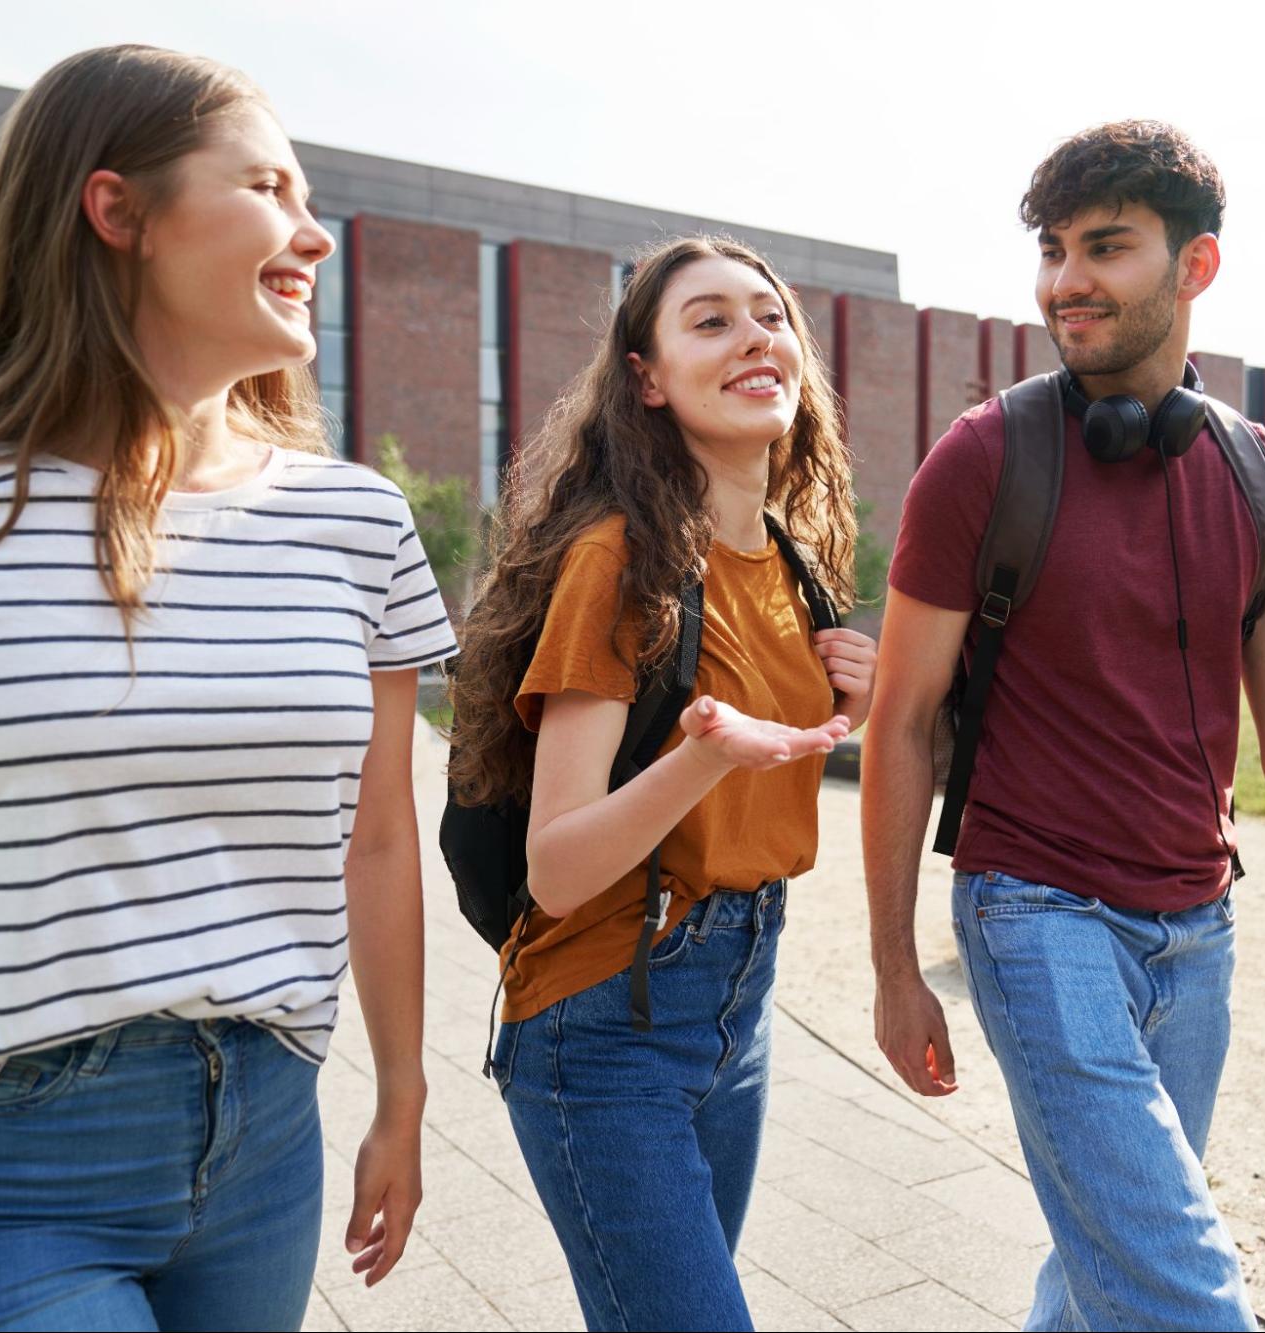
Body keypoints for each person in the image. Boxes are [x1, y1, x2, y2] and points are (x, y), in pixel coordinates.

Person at [0, 45, 453, 1330]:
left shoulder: (356, 522)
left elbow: (377, 836)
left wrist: (404, 1097)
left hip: (264, 1148)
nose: (312, 234)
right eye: (267, 187)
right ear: (117, 212)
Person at [861, 120, 1265, 1332]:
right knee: (1179, 1285)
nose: (1067, 280)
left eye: (1105, 247)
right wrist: (895, 966)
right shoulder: (982, 458)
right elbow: (900, 722)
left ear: (1195, 266)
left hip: (1195, 932)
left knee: (1101, 1260)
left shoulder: (1260, 473)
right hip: (1035, 910)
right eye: (1054, 249)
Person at [445, 235, 876, 1332]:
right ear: (646, 378)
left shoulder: (791, 564)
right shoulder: (618, 560)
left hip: (738, 996)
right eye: (710, 321)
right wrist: (702, 756)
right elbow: (557, 862)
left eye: (768, 314)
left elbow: (769, 763)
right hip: (606, 1017)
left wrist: (850, 707)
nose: (754, 337)